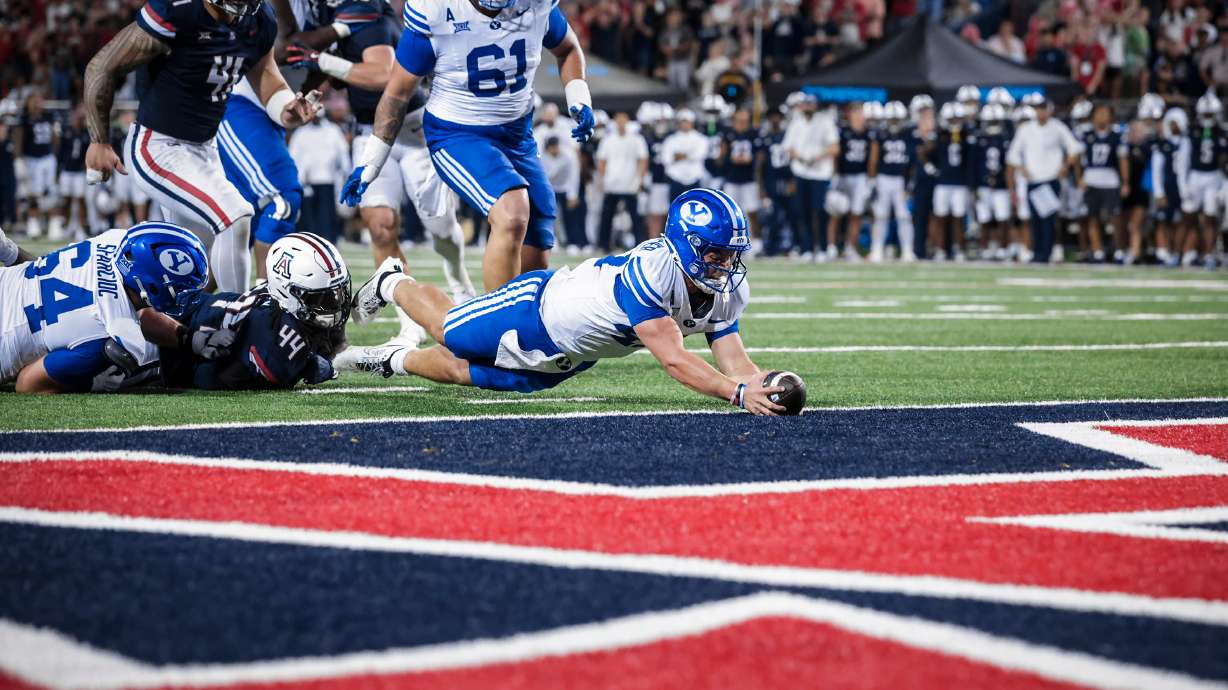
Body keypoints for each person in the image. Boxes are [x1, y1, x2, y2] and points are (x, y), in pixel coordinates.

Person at [336, 188, 788, 416]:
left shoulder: (727, 290)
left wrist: (765, 386)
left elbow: (736, 362)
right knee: (451, 330)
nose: (725, 265)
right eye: (716, 254)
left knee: (462, 371)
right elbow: (673, 359)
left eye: (731, 255)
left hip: (571, 353)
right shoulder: (654, 271)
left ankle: (393, 360)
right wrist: (737, 394)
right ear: (686, 245)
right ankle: (393, 280)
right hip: (537, 308)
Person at [341, 0, 595, 293]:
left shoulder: (536, 5)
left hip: (517, 135)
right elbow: (398, 93)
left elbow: (567, 49)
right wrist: (372, 161)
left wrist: (579, 96)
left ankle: (520, 325)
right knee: (512, 212)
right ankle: (495, 330)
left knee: (536, 234)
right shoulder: (436, 9)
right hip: (457, 133)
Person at [83, 0, 321, 295]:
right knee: (236, 217)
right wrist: (99, 140)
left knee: (194, 269)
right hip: (157, 145)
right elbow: (102, 66)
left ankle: (181, 334)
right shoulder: (178, 10)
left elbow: (266, 75)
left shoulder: (259, 19)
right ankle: (240, 322)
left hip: (205, 149)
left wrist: (285, 108)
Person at [290, 0, 476, 331]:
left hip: (414, 133)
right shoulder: (339, 22)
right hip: (367, 132)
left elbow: (383, 74)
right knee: (380, 225)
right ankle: (409, 320)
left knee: (440, 228)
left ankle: (458, 276)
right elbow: (329, 70)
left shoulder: (369, 16)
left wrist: (322, 59)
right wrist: (311, 93)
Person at [0, 221, 235, 393]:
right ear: (152, 285)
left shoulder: (112, 241)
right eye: (180, 289)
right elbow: (27, 383)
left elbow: (132, 304)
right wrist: (87, 384)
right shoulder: (116, 335)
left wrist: (187, 338)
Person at [159, 232, 347, 390]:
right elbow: (211, 378)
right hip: (162, 338)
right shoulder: (273, 332)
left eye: (334, 294)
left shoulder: (281, 307)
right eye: (321, 297)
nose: (334, 304)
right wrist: (305, 364)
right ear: (287, 292)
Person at [1006, 93, 1083, 264]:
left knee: (1049, 219)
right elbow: (1013, 154)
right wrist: (1021, 168)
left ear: (1049, 111)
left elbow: (1075, 149)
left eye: (1044, 110)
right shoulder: (1025, 129)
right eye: (1038, 110)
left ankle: (1047, 253)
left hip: (1050, 179)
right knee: (1034, 219)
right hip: (1033, 180)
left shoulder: (1057, 127)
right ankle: (1037, 252)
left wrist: (1065, 166)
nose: (1041, 113)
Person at [784, 93, 838, 260]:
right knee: (803, 212)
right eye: (805, 104)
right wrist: (800, 157)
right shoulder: (796, 122)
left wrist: (816, 157)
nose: (807, 107)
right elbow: (788, 148)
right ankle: (806, 248)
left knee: (820, 210)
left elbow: (835, 148)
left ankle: (822, 247)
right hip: (801, 171)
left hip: (820, 173)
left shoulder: (826, 121)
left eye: (810, 104)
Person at [288, 110, 351, 244]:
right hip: (306, 180)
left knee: (327, 213)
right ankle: (310, 241)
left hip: (327, 178)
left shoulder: (333, 131)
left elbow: (342, 152)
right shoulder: (301, 133)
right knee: (308, 214)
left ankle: (330, 240)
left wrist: (346, 171)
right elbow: (293, 155)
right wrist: (296, 177)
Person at [1078, 103, 1129, 264]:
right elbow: (1078, 159)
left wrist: (1125, 182)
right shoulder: (1086, 135)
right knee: (1092, 217)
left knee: (1116, 217)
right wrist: (1080, 177)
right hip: (1091, 178)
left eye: (1105, 113)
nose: (1102, 116)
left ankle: (1119, 250)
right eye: (1099, 113)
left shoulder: (1117, 136)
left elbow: (1123, 160)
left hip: (1110, 179)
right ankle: (1097, 250)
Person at [826, 101, 877, 261]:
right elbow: (836, 154)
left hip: (861, 177)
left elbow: (873, 158)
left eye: (860, 113)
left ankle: (850, 247)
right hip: (843, 175)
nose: (858, 116)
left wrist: (870, 178)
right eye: (855, 113)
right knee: (836, 212)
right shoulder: (842, 132)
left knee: (856, 214)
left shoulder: (869, 133)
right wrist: (834, 174)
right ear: (850, 115)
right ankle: (831, 247)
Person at [869, 100, 916, 263]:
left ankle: (907, 250)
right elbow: (874, 159)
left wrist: (910, 181)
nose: (895, 122)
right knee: (881, 215)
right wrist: (873, 180)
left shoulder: (909, 134)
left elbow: (912, 161)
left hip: (901, 180)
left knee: (904, 216)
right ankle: (876, 249)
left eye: (897, 119)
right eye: (892, 119)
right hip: (884, 178)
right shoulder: (880, 134)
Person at [594, 112, 648, 252]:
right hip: (612, 183)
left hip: (630, 184)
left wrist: (639, 179)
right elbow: (601, 161)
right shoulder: (608, 139)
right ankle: (604, 245)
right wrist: (604, 178)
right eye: (619, 121)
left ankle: (639, 245)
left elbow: (643, 160)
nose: (621, 124)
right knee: (607, 216)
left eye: (624, 121)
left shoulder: (637, 139)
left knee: (635, 217)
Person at [1184, 92, 1226, 268]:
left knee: (1210, 217)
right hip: (1195, 175)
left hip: (1213, 176)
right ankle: (1190, 251)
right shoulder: (1192, 131)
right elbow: (1184, 160)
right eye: (1206, 114)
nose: (1208, 117)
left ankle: (1209, 253)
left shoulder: (1222, 132)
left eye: (1210, 114)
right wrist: (1184, 183)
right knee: (1190, 217)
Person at [926, 101, 971, 261]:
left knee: (959, 218)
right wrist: (930, 167)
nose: (954, 122)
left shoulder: (966, 135)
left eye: (956, 118)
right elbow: (924, 153)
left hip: (960, 183)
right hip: (943, 182)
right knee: (940, 217)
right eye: (951, 119)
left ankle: (959, 248)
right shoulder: (939, 135)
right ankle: (939, 249)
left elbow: (971, 160)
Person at [14, 91, 59, 239]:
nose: (37, 103)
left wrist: (54, 155)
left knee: (50, 191)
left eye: (39, 100)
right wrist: (19, 158)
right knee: (34, 193)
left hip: (47, 157)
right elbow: (18, 138)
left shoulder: (48, 116)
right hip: (31, 158)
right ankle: (34, 223)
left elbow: (54, 137)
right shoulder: (24, 118)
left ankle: (53, 224)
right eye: (34, 100)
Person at [972, 103, 1013, 261]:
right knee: (984, 219)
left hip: (1001, 185)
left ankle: (1003, 248)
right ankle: (985, 248)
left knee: (1003, 218)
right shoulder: (979, 139)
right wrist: (974, 186)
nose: (994, 125)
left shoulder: (1005, 139)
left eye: (996, 121)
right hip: (983, 185)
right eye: (991, 122)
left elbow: (1008, 164)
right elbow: (974, 165)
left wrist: (1003, 179)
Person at [720, 109, 763, 247]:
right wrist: (730, 159)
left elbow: (761, 156)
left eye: (745, 121)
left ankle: (756, 242)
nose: (742, 123)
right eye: (740, 120)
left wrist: (752, 160)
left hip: (749, 178)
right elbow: (721, 157)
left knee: (752, 210)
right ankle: (728, 242)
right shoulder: (728, 134)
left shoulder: (753, 134)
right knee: (730, 213)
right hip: (732, 178)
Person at [540, 135, 582, 252]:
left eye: (556, 147)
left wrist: (572, 195)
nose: (554, 150)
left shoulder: (569, 156)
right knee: (550, 216)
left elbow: (573, 176)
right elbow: (543, 177)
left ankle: (573, 243)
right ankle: (552, 241)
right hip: (550, 188)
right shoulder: (542, 157)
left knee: (570, 216)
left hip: (566, 187)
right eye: (552, 147)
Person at [57, 107, 91, 239]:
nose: (79, 120)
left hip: (79, 172)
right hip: (67, 170)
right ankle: (66, 227)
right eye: (77, 117)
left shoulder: (86, 134)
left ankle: (81, 228)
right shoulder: (66, 131)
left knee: (81, 199)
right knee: (66, 199)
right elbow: (60, 151)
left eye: (81, 118)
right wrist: (58, 170)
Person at [661, 109, 709, 201]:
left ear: (692, 122)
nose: (685, 124)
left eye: (687, 121)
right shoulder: (670, 140)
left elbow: (699, 155)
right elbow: (666, 159)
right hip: (675, 180)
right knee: (675, 211)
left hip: (695, 179)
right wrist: (688, 155)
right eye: (682, 121)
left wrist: (678, 156)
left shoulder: (701, 138)